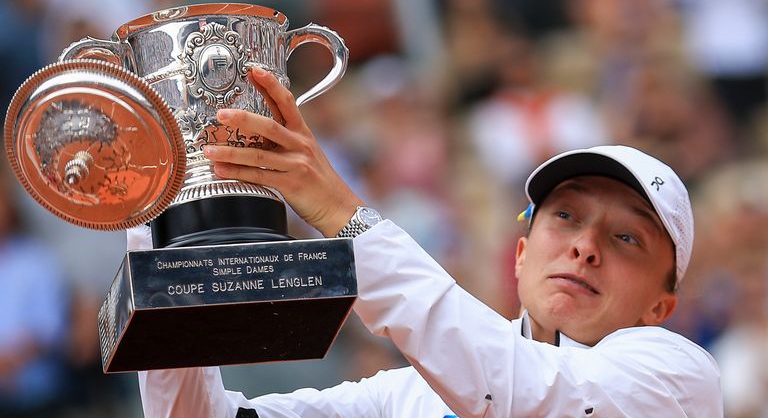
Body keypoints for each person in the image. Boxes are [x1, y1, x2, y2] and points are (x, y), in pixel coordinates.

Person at [137, 67, 723, 417]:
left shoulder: (676, 377)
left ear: (660, 307)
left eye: (626, 237)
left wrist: (343, 218)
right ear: (520, 257)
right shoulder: (409, 396)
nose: (586, 247)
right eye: (566, 216)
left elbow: (517, 394)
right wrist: (159, 220)